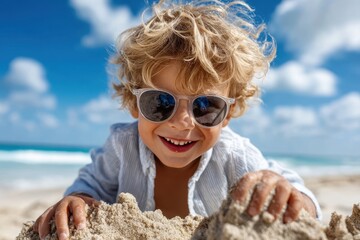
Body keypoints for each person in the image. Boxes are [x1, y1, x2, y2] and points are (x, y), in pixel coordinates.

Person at [34, 0, 321, 239]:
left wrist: (288, 195)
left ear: (228, 115)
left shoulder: (235, 157)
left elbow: (303, 202)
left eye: (206, 107)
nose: (183, 122)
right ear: (135, 103)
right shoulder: (122, 145)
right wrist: (79, 199)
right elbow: (91, 185)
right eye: (160, 102)